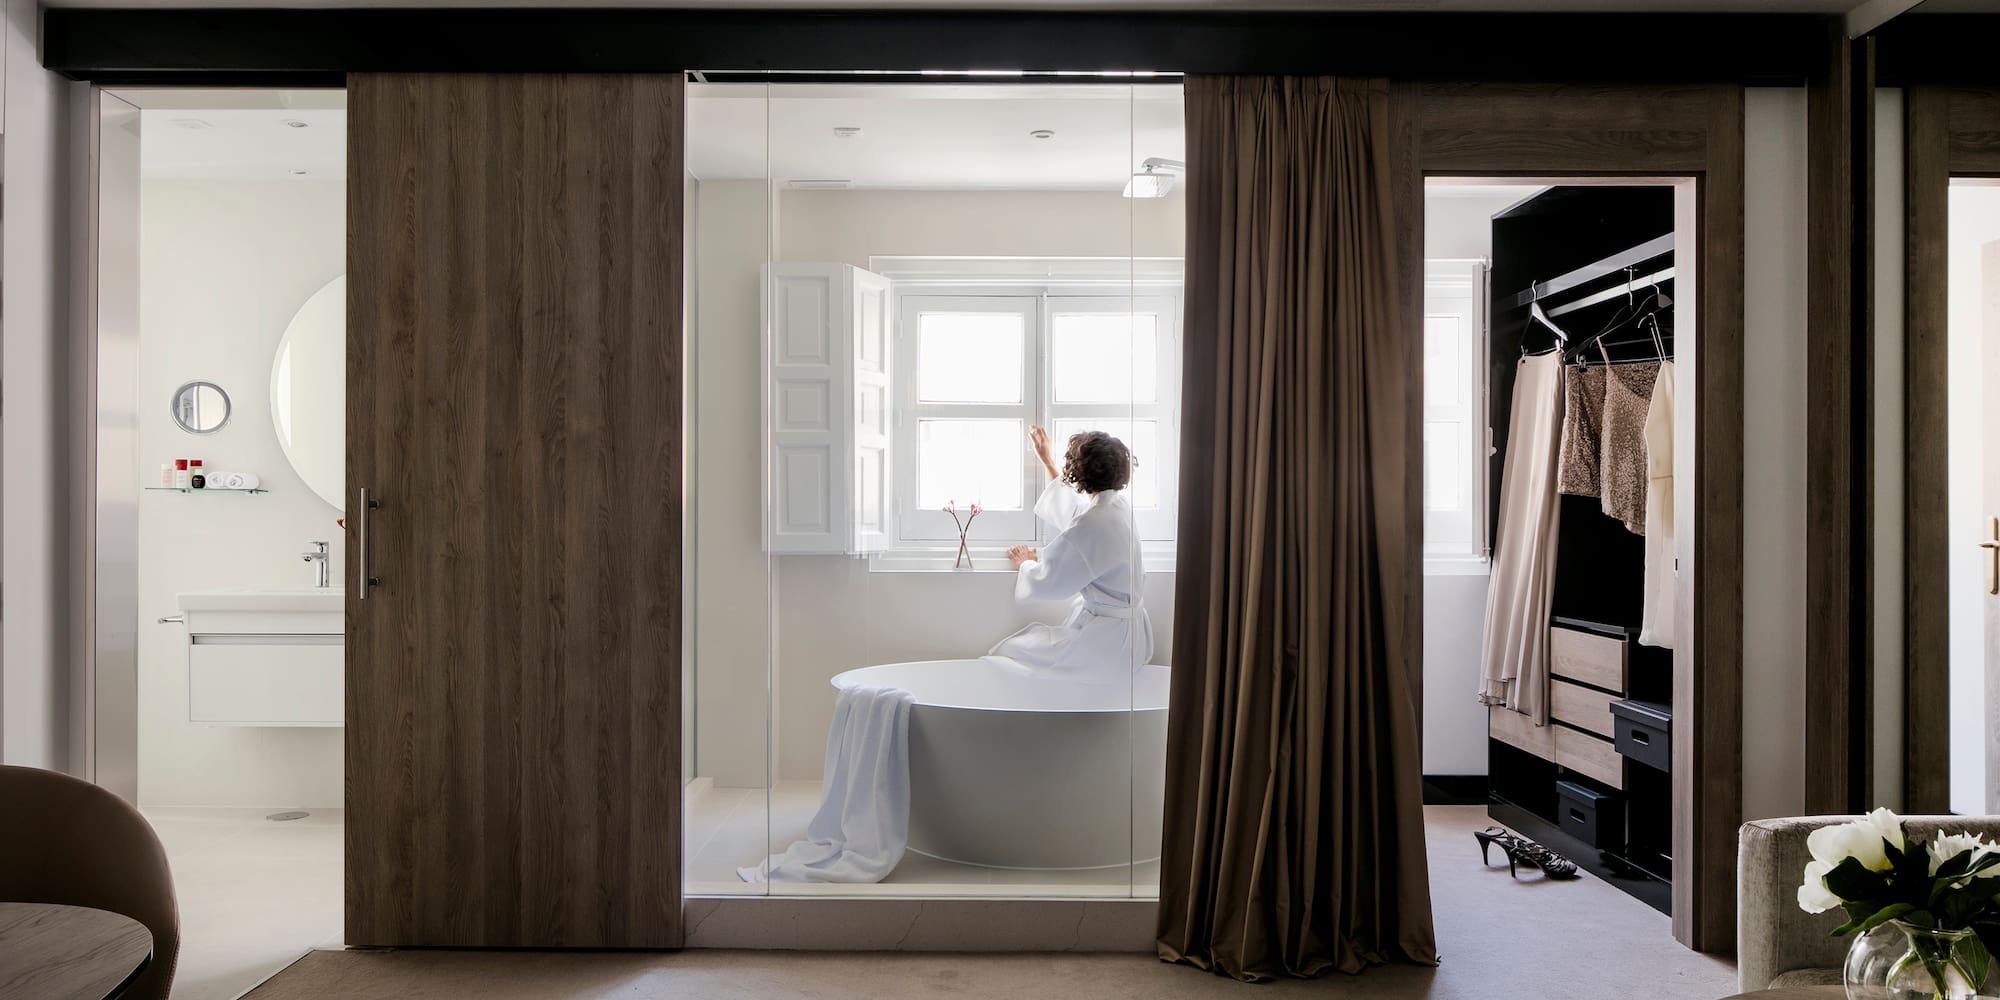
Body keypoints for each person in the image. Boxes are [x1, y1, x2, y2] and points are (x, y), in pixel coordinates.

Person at [987, 426, 1152, 672]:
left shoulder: (1094, 523)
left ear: (1079, 472)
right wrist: (1047, 461)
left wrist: (1026, 563)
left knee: (1007, 653)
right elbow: (1077, 516)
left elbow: (1049, 581)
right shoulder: (1117, 506)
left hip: (1108, 642)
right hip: (1129, 634)